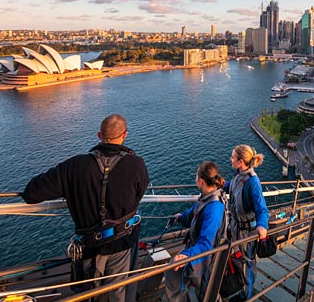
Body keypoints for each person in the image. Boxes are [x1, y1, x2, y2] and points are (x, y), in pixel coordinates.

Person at [21, 114, 150, 302]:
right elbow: (139, 195)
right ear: (125, 135)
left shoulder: (74, 166)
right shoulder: (136, 164)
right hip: (123, 242)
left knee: (91, 294)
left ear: (99, 135)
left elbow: (31, 194)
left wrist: (71, 188)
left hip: (90, 246)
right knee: (119, 291)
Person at [164, 161, 227, 302]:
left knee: (206, 291)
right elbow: (192, 214)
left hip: (205, 256)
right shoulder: (207, 197)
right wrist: (179, 218)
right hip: (198, 250)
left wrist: (187, 255)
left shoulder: (214, 208)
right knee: (204, 290)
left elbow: (207, 243)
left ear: (201, 181)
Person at [225, 144, 269, 299]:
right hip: (236, 228)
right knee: (239, 261)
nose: (230, 159)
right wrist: (220, 185)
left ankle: (247, 296)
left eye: (233, 157)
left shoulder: (253, 182)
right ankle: (240, 289)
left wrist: (262, 226)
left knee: (248, 264)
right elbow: (233, 187)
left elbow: (262, 209)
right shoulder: (239, 174)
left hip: (246, 233)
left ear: (241, 161)